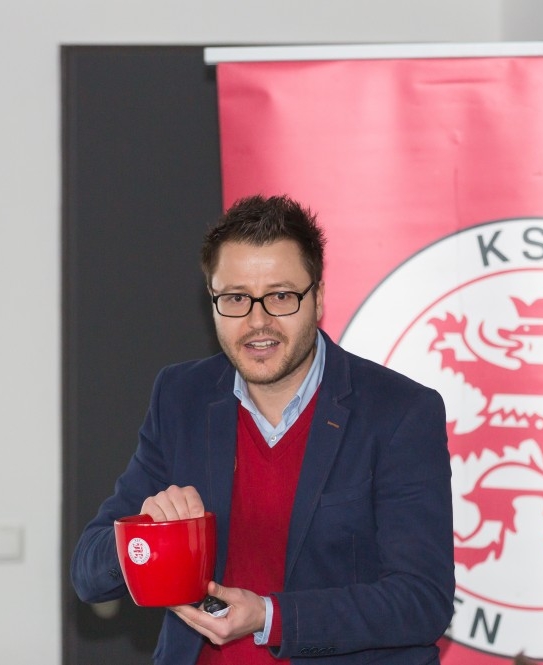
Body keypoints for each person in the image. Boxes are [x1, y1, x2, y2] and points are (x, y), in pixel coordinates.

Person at [71, 194, 455, 664]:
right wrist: (144, 535)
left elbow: (421, 601)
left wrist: (270, 617)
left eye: (281, 296)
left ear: (318, 298)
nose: (258, 321)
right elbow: (89, 576)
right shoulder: (181, 397)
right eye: (236, 298)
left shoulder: (399, 412)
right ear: (212, 301)